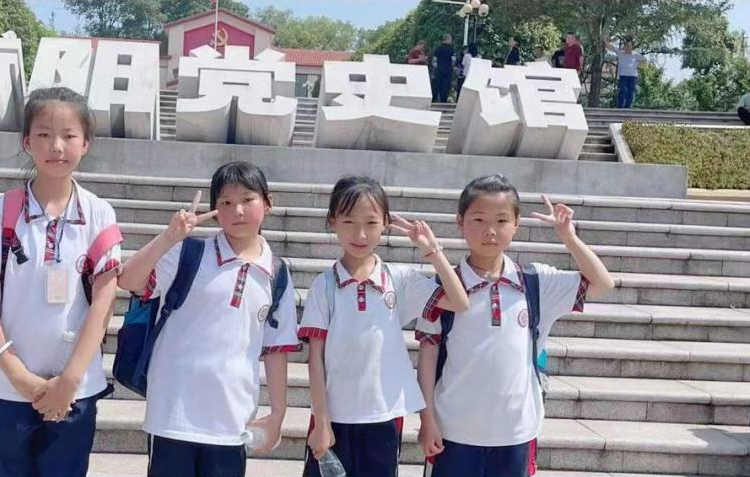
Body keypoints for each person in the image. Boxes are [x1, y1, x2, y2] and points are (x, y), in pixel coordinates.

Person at [0, 87, 122, 476]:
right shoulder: (4, 210)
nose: (56, 146)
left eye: (68, 135)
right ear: (26, 142)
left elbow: (104, 302)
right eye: (44, 134)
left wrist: (70, 380)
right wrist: (17, 375)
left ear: (86, 143)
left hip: (74, 390)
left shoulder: (99, 213)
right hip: (5, 388)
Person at [415, 175, 615, 477]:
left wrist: (568, 237)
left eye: (501, 220)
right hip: (454, 431)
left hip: (516, 432)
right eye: (478, 219)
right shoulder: (441, 287)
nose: (490, 231)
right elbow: (427, 358)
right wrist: (427, 419)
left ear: (516, 224)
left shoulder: (536, 282)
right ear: (460, 221)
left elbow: (602, 283)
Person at [118, 161, 299, 477]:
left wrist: (278, 413)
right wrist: (168, 238)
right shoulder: (188, 253)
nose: (237, 211)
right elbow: (129, 280)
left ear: (268, 203)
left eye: (247, 199)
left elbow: (276, 349)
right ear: (214, 210)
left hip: (231, 418)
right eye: (226, 203)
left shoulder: (277, 273)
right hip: (173, 414)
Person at [300, 176, 469, 477]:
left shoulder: (399, 279)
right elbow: (315, 358)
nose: (360, 234)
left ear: (386, 224)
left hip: (384, 416)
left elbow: (459, 302)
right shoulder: (324, 286)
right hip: (333, 418)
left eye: (371, 223)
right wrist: (321, 420)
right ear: (332, 221)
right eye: (349, 222)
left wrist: (432, 251)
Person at [606, 39, 648, 109]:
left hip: (632, 76)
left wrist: (638, 65)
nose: (627, 47)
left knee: (630, 92)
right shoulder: (620, 53)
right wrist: (605, 40)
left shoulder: (635, 55)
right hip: (623, 75)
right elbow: (612, 47)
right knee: (623, 90)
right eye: (626, 46)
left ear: (632, 47)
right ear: (624, 46)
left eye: (629, 46)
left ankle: (628, 107)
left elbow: (645, 60)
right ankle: (620, 106)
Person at [433, 34, 455, 103]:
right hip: (447, 70)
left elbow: (434, 60)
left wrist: (437, 67)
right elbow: (453, 59)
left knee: (438, 85)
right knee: (445, 86)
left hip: (439, 69)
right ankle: (443, 101)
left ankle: (435, 99)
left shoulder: (438, 49)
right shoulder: (451, 49)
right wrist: (452, 66)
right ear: (449, 39)